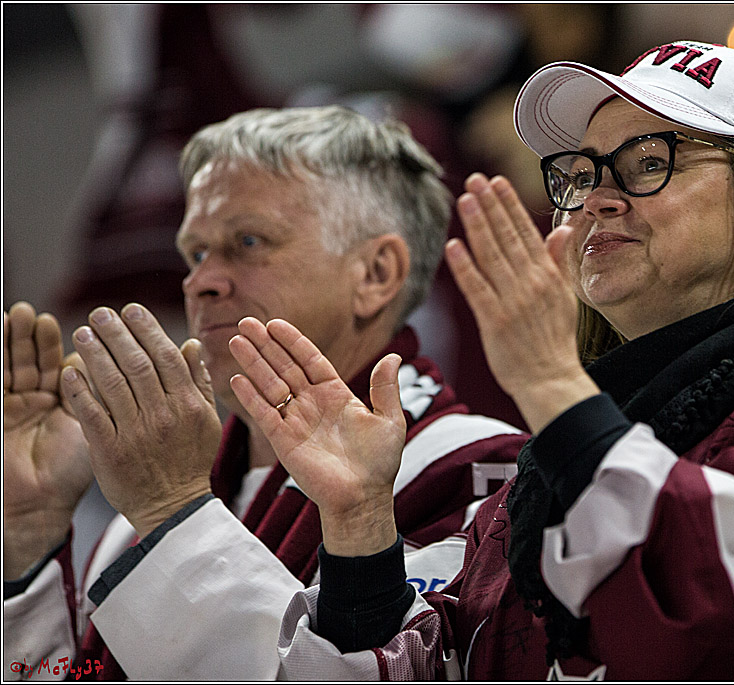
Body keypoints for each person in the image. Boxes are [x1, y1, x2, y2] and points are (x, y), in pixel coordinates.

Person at [230, 42, 734, 680]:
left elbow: (707, 627)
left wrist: (554, 389)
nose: (595, 197)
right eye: (582, 171)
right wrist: (361, 525)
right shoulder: (537, 479)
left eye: (646, 160)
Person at [3, 106, 525, 680]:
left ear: (376, 273)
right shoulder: (136, 525)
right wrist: (29, 542)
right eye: (195, 253)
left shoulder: (481, 474)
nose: (202, 281)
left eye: (247, 241)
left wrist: (175, 516)